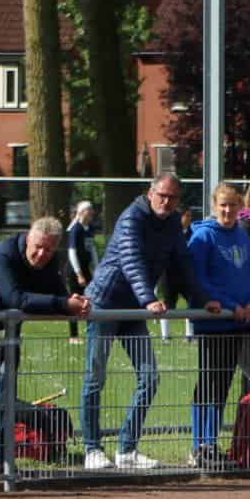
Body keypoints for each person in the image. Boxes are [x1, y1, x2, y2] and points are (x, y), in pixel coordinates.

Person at [81, 171, 193, 470]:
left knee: (150, 376)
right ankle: (92, 448)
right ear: (150, 193)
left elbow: (182, 264)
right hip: (105, 304)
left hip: (134, 308)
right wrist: (148, 298)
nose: (166, 202)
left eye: (172, 198)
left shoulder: (172, 222)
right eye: (162, 195)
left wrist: (202, 298)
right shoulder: (132, 217)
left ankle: (127, 449)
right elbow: (131, 260)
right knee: (95, 378)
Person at [0, 216, 91, 469]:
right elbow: (16, 299)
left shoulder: (50, 262)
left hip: (2, 330)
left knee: (1, 384)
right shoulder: (3, 254)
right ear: (28, 237)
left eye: (49, 250)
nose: (41, 254)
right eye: (38, 246)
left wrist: (75, 302)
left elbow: (58, 294)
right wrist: (64, 304)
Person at [184, 181, 250, 468]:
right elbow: (199, 279)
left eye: (233, 205)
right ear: (214, 206)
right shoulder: (203, 236)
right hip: (214, 322)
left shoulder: (241, 235)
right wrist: (230, 305)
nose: (228, 210)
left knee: (222, 385)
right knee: (208, 383)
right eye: (223, 205)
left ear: (240, 206)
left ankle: (211, 442)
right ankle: (199, 445)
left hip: (238, 322)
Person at [64, 200, 99, 339]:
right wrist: (79, 274)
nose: (92, 213)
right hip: (74, 271)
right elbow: (72, 252)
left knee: (92, 299)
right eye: (89, 210)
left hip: (86, 270)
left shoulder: (89, 229)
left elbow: (92, 249)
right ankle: (73, 336)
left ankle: (93, 332)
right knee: (74, 301)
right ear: (82, 212)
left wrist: (97, 268)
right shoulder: (75, 229)